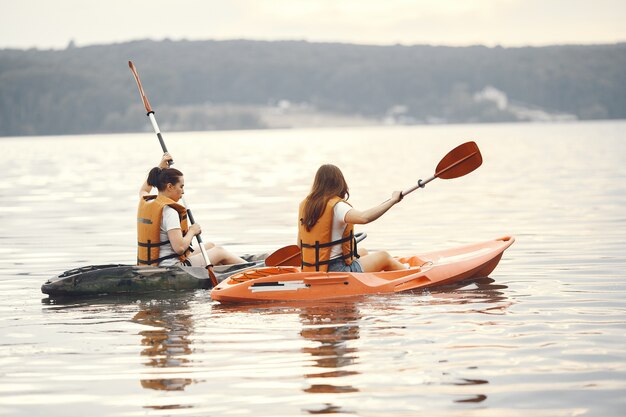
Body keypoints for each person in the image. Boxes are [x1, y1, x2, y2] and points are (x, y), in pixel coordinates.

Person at [137, 153, 245, 267]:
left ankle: (227, 270)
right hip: (174, 267)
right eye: (181, 186)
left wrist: (160, 167)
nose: (183, 192)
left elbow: (144, 190)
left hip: (156, 263)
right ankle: (256, 270)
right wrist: (192, 231)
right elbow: (179, 248)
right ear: (170, 187)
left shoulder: (148, 202)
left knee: (210, 246)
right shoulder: (169, 212)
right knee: (219, 251)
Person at [298, 164, 408, 273]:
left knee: (363, 252)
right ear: (339, 183)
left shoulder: (305, 206)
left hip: (313, 267)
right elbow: (364, 218)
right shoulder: (337, 206)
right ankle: (409, 272)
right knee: (384, 256)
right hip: (336, 269)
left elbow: (299, 245)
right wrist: (393, 200)